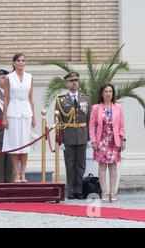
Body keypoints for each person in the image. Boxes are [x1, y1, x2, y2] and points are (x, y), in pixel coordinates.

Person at [54, 71, 91, 200]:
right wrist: (60, 140)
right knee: (69, 164)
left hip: (82, 135)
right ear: (67, 83)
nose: (74, 83)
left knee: (81, 165)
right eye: (71, 81)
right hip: (68, 135)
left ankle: (79, 190)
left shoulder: (85, 99)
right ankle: (70, 190)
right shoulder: (61, 100)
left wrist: (89, 138)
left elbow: (89, 120)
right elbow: (57, 121)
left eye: (76, 80)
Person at [2, 53, 35, 183]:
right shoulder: (9, 78)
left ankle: (23, 174)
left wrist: (33, 116)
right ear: (14, 63)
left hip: (26, 112)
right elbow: (6, 98)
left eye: (23, 61)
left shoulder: (29, 77)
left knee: (25, 144)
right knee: (14, 143)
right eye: (18, 61)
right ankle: (16, 174)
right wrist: (4, 116)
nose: (21, 63)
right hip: (13, 112)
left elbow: (31, 97)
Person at [90, 83, 125, 203]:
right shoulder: (96, 108)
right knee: (102, 166)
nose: (108, 93)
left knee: (113, 166)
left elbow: (121, 125)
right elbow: (91, 126)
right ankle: (104, 192)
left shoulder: (118, 107)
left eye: (110, 91)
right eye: (106, 91)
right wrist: (93, 141)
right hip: (102, 141)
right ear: (101, 93)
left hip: (114, 140)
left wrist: (123, 139)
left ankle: (113, 192)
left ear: (113, 93)